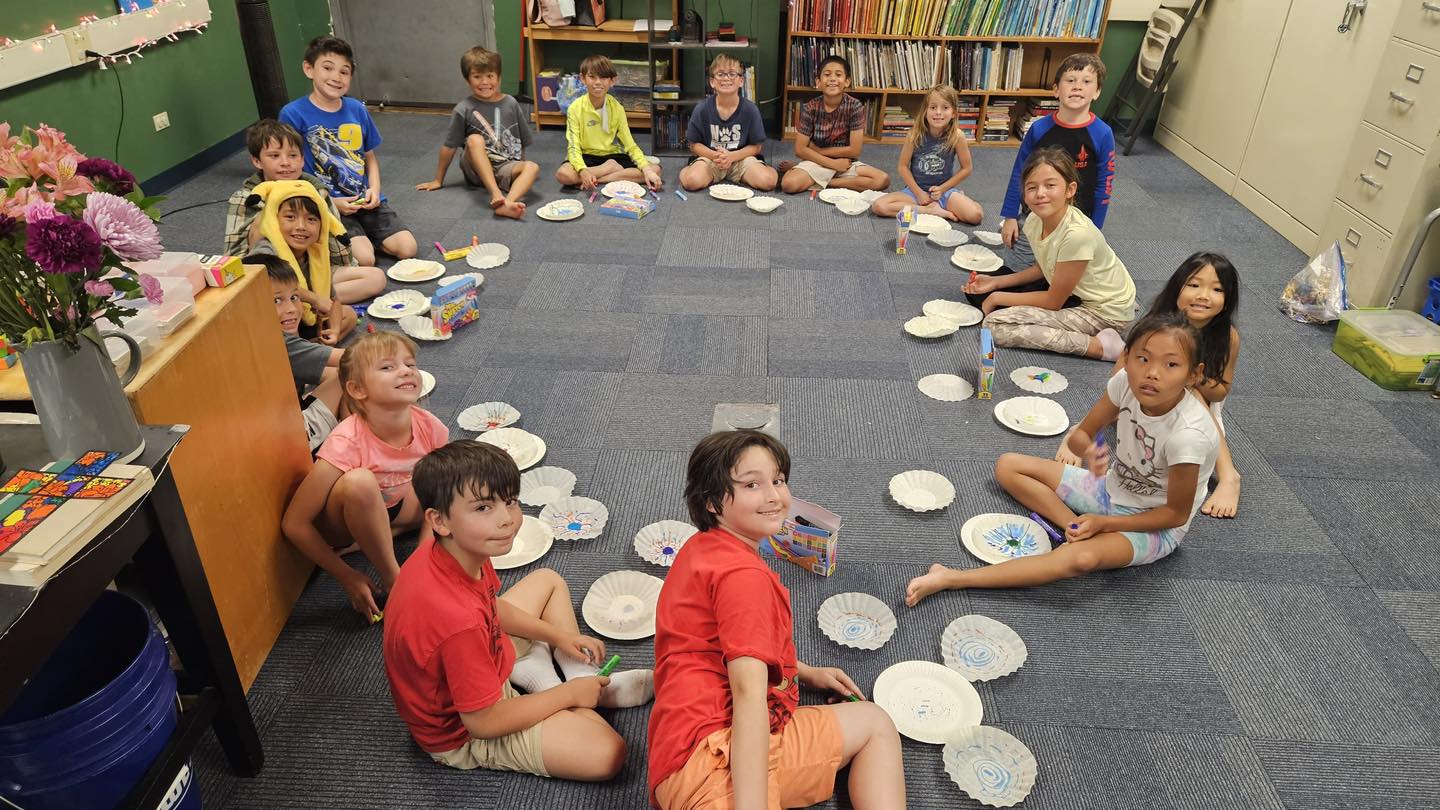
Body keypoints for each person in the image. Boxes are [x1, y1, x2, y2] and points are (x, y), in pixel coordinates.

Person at [648, 429, 906, 809]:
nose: (773, 495)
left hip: (675, 747)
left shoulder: (701, 546)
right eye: (752, 484)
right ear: (713, 503)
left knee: (870, 721)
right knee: (876, 725)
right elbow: (749, 695)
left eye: (778, 480)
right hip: (714, 762)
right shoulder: (745, 578)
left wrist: (802, 670)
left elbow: (722, 638)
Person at [906, 312, 1220, 606]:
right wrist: (1091, 452)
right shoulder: (1125, 383)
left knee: (1080, 559)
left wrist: (1106, 523)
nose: (1152, 373)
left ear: (1194, 374)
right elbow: (1083, 434)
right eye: (1143, 358)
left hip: (1154, 524)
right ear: (1128, 358)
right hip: (1110, 489)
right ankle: (1076, 527)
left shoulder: (1187, 435)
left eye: (1171, 365)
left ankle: (954, 578)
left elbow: (1175, 515)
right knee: (1008, 465)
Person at [383, 440, 653, 781]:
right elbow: (483, 722)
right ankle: (566, 685)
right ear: (439, 520)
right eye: (483, 508)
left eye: (509, 501)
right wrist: (567, 696)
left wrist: (560, 636)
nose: (507, 520)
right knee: (609, 753)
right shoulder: (458, 623)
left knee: (548, 581)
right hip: (463, 732)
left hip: (479, 656)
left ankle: (556, 673)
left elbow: (491, 607)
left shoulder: (456, 552)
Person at [1056, 253, 1244, 518]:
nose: (1203, 295)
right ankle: (1083, 431)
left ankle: (1229, 476)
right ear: (1177, 288)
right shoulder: (1155, 326)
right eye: (1194, 285)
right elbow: (1119, 376)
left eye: (1216, 289)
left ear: (1227, 300)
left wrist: (1190, 377)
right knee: (1121, 396)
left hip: (1198, 410)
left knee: (1190, 392)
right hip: (1145, 398)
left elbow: (1222, 390)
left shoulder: (1228, 336)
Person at [281, 332, 447, 618]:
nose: (406, 370)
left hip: (396, 505)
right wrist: (347, 575)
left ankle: (388, 534)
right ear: (357, 389)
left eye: (410, 364)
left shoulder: (430, 426)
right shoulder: (347, 441)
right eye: (388, 367)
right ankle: (393, 578)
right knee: (360, 482)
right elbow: (295, 523)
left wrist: (425, 552)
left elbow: (442, 492)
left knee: (454, 475)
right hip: (345, 521)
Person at [966, 147, 1136, 360]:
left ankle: (1102, 347)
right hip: (1084, 296)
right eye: (1032, 187)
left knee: (994, 325)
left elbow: (1053, 301)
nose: (1040, 194)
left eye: (1050, 185)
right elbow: (1042, 268)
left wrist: (997, 296)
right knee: (984, 297)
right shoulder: (1034, 220)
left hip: (1107, 313)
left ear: (1070, 189)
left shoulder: (1077, 235)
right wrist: (996, 283)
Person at [280, 35, 418, 266]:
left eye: (344, 72)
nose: (336, 77)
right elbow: (291, 171)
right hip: (328, 202)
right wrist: (330, 202)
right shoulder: (293, 113)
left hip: (365, 200)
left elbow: (369, 157)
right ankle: (357, 240)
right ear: (308, 69)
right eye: (327, 68)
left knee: (408, 249)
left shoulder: (356, 109)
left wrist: (374, 189)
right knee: (365, 259)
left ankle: (367, 236)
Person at [998, 53, 1114, 269]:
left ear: (1097, 92)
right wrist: (1010, 216)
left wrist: (1095, 231)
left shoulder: (1102, 133)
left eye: (1087, 82)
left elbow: (1104, 187)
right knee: (1011, 273)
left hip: (1077, 222)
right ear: (1056, 89)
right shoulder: (1039, 129)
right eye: (1070, 81)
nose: (1077, 87)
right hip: (1035, 216)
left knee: (1063, 281)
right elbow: (1019, 173)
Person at [416, 47, 539, 220]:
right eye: (477, 76)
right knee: (474, 139)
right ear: (467, 79)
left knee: (532, 167)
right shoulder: (463, 109)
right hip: (476, 169)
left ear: (499, 77)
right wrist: (438, 180)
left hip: (504, 166)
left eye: (490, 76)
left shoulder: (511, 103)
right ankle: (495, 194)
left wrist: (518, 170)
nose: (484, 82)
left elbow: (522, 141)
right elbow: (449, 147)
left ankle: (506, 204)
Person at [223, 120, 356, 272]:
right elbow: (234, 252)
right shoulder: (244, 198)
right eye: (274, 156)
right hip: (271, 273)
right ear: (257, 161)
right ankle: (299, 295)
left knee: (374, 277)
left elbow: (333, 235)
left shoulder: (317, 192)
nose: (285, 163)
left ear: (302, 160)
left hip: (314, 269)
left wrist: (346, 267)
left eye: (293, 155)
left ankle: (305, 294)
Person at [247, 179, 368, 342]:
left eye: (311, 219)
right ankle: (306, 352)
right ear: (274, 220)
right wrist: (314, 298)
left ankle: (313, 348)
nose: (301, 226)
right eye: (290, 217)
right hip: (276, 321)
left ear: (323, 226)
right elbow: (253, 271)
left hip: (306, 321)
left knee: (349, 315)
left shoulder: (316, 254)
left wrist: (335, 331)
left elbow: (334, 301)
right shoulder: (267, 248)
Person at [254, 253, 344, 451]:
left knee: (344, 377)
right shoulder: (277, 342)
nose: (292, 309)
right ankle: (345, 446)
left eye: (294, 297)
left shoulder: (253, 332)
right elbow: (350, 359)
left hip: (273, 423)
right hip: (291, 437)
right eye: (277, 301)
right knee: (351, 375)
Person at [868, 84, 982, 223]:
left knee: (975, 216)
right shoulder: (914, 135)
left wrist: (943, 189)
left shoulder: (957, 136)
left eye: (945, 108)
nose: (938, 112)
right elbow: (903, 166)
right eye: (933, 107)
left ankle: (958, 199)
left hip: (943, 192)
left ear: (953, 113)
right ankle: (930, 211)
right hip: (916, 192)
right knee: (879, 206)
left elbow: (967, 168)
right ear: (925, 111)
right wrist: (919, 193)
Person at [779, 55, 889, 194]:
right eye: (827, 74)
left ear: (847, 81)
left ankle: (827, 182)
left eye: (838, 74)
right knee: (789, 184)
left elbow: (855, 150)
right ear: (818, 82)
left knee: (882, 179)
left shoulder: (855, 106)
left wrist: (818, 151)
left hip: (845, 163)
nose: (832, 79)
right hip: (817, 162)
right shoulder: (811, 107)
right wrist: (832, 163)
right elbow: (800, 149)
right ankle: (821, 177)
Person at [555, 55, 662, 191]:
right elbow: (573, 146)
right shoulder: (575, 108)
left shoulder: (617, 108)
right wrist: (582, 170)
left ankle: (598, 179)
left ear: (612, 81)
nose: (598, 82)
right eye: (592, 77)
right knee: (563, 174)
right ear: (582, 79)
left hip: (613, 156)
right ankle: (607, 170)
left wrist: (646, 170)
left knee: (656, 170)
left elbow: (630, 144)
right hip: (586, 156)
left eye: (604, 77)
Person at [679, 54, 777, 192]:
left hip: (740, 158)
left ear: (741, 80)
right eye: (720, 74)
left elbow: (756, 147)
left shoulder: (750, 109)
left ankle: (763, 168)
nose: (726, 78)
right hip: (711, 158)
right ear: (712, 81)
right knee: (691, 182)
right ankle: (689, 169)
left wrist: (731, 157)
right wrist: (716, 156)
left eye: (732, 74)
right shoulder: (702, 109)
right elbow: (694, 145)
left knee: (768, 182)